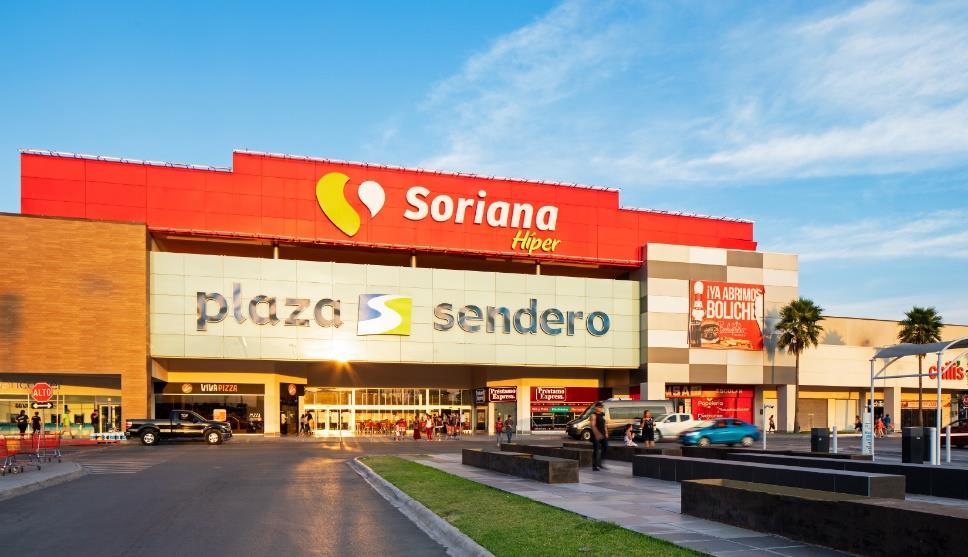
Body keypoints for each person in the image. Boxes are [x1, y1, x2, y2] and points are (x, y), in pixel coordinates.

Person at [590, 403, 607, 471]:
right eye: (600, 407)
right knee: (596, 450)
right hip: (595, 435)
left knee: (605, 447)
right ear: (596, 407)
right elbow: (592, 425)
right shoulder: (593, 415)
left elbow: (604, 424)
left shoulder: (602, 415)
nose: (601, 408)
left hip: (603, 434)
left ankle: (599, 463)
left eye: (602, 407)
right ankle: (594, 466)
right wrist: (597, 434)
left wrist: (606, 433)